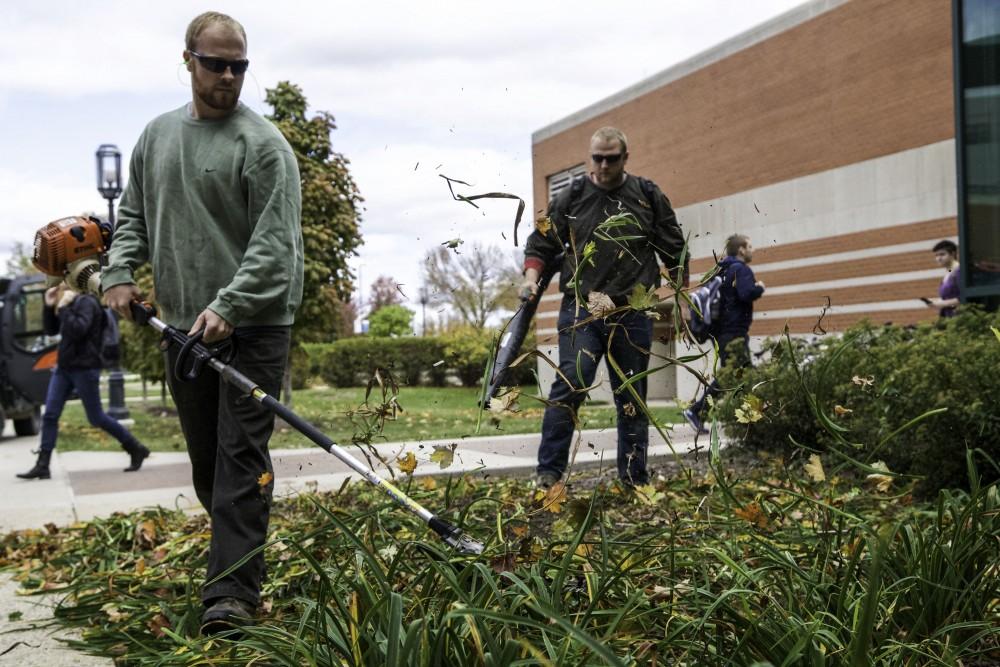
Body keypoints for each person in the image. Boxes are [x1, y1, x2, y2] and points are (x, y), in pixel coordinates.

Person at [101, 11, 304, 633]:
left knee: (242, 459)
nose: (228, 76)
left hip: (255, 325)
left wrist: (231, 305)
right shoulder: (156, 137)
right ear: (187, 59)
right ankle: (236, 564)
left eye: (239, 65)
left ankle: (231, 597)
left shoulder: (263, 147)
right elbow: (132, 214)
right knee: (208, 464)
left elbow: (276, 250)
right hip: (185, 325)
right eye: (216, 63)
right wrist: (118, 272)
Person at [522, 126, 688, 489]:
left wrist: (682, 291)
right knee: (571, 382)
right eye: (597, 157)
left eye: (611, 159)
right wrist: (531, 277)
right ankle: (548, 474)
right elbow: (541, 243)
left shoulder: (646, 195)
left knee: (631, 395)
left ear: (625, 158)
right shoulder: (573, 196)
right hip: (582, 309)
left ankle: (633, 479)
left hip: (632, 311)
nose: (603, 165)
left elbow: (673, 247)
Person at [16, 285, 149, 480]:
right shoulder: (71, 302)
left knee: (96, 417)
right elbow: (52, 329)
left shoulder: (88, 302)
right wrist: (49, 305)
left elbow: (78, 330)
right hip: (64, 367)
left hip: (85, 368)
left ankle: (135, 448)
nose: (61, 283)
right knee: (50, 415)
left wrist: (63, 307)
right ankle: (43, 464)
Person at [683, 234, 765, 435]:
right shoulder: (741, 269)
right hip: (734, 331)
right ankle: (698, 411)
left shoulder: (721, 269)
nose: (752, 250)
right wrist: (759, 288)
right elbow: (745, 294)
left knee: (742, 374)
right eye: (750, 246)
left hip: (721, 333)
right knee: (733, 376)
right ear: (741, 250)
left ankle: (748, 420)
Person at [926, 239, 960, 318]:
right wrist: (937, 302)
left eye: (942, 254)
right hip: (949, 318)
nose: (938, 258)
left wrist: (942, 304)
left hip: (959, 318)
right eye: (936, 255)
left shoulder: (959, 271)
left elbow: (965, 298)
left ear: (952, 254)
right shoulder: (949, 272)